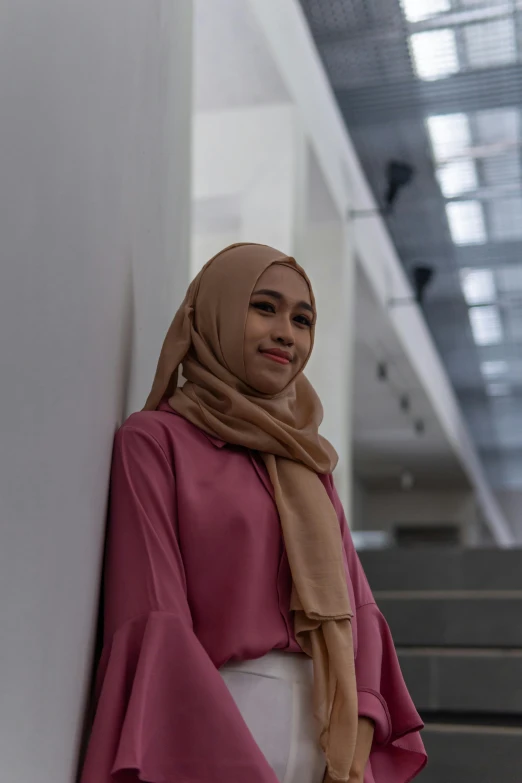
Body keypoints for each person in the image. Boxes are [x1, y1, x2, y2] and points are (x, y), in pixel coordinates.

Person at [80, 243, 427, 783]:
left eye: (302, 318)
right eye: (264, 307)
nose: (287, 332)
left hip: (325, 738)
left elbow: (357, 613)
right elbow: (153, 611)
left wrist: (353, 750)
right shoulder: (155, 441)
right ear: (214, 312)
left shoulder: (310, 463)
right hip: (213, 729)